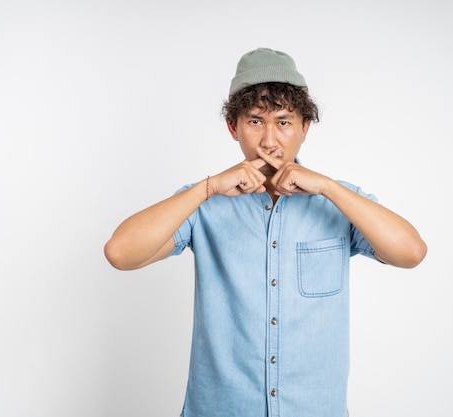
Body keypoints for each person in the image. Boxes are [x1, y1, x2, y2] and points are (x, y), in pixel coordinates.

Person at [104, 47, 427, 417]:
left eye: (284, 122)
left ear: (305, 128)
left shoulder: (338, 202)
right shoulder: (204, 205)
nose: (270, 140)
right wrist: (207, 188)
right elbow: (119, 253)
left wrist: (329, 188)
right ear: (233, 128)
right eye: (256, 121)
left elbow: (411, 252)